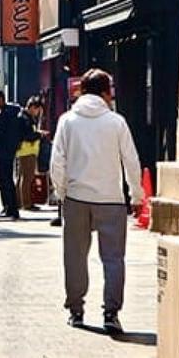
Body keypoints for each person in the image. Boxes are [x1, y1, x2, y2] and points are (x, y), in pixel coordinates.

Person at [50, 69, 143, 334]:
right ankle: (111, 313)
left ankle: (76, 310)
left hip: (77, 198)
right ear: (105, 92)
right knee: (113, 258)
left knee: (75, 256)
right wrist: (136, 194)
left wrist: (62, 191)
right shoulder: (116, 122)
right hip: (110, 199)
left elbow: (57, 161)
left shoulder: (67, 121)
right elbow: (131, 161)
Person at [0, 89, 30, 220]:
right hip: (9, 149)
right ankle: (9, 208)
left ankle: (10, 208)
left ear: (0, 99)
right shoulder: (14, 112)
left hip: (5, 150)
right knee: (4, 179)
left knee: (5, 180)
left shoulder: (6, 114)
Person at [17, 96, 48, 211]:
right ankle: (27, 203)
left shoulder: (25, 117)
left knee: (23, 177)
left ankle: (19, 202)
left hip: (27, 151)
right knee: (27, 178)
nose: (37, 113)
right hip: (27, 151)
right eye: (37, 110)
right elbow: (28, 136)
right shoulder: (25, 118)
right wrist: (39, 134)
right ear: (33, 107)